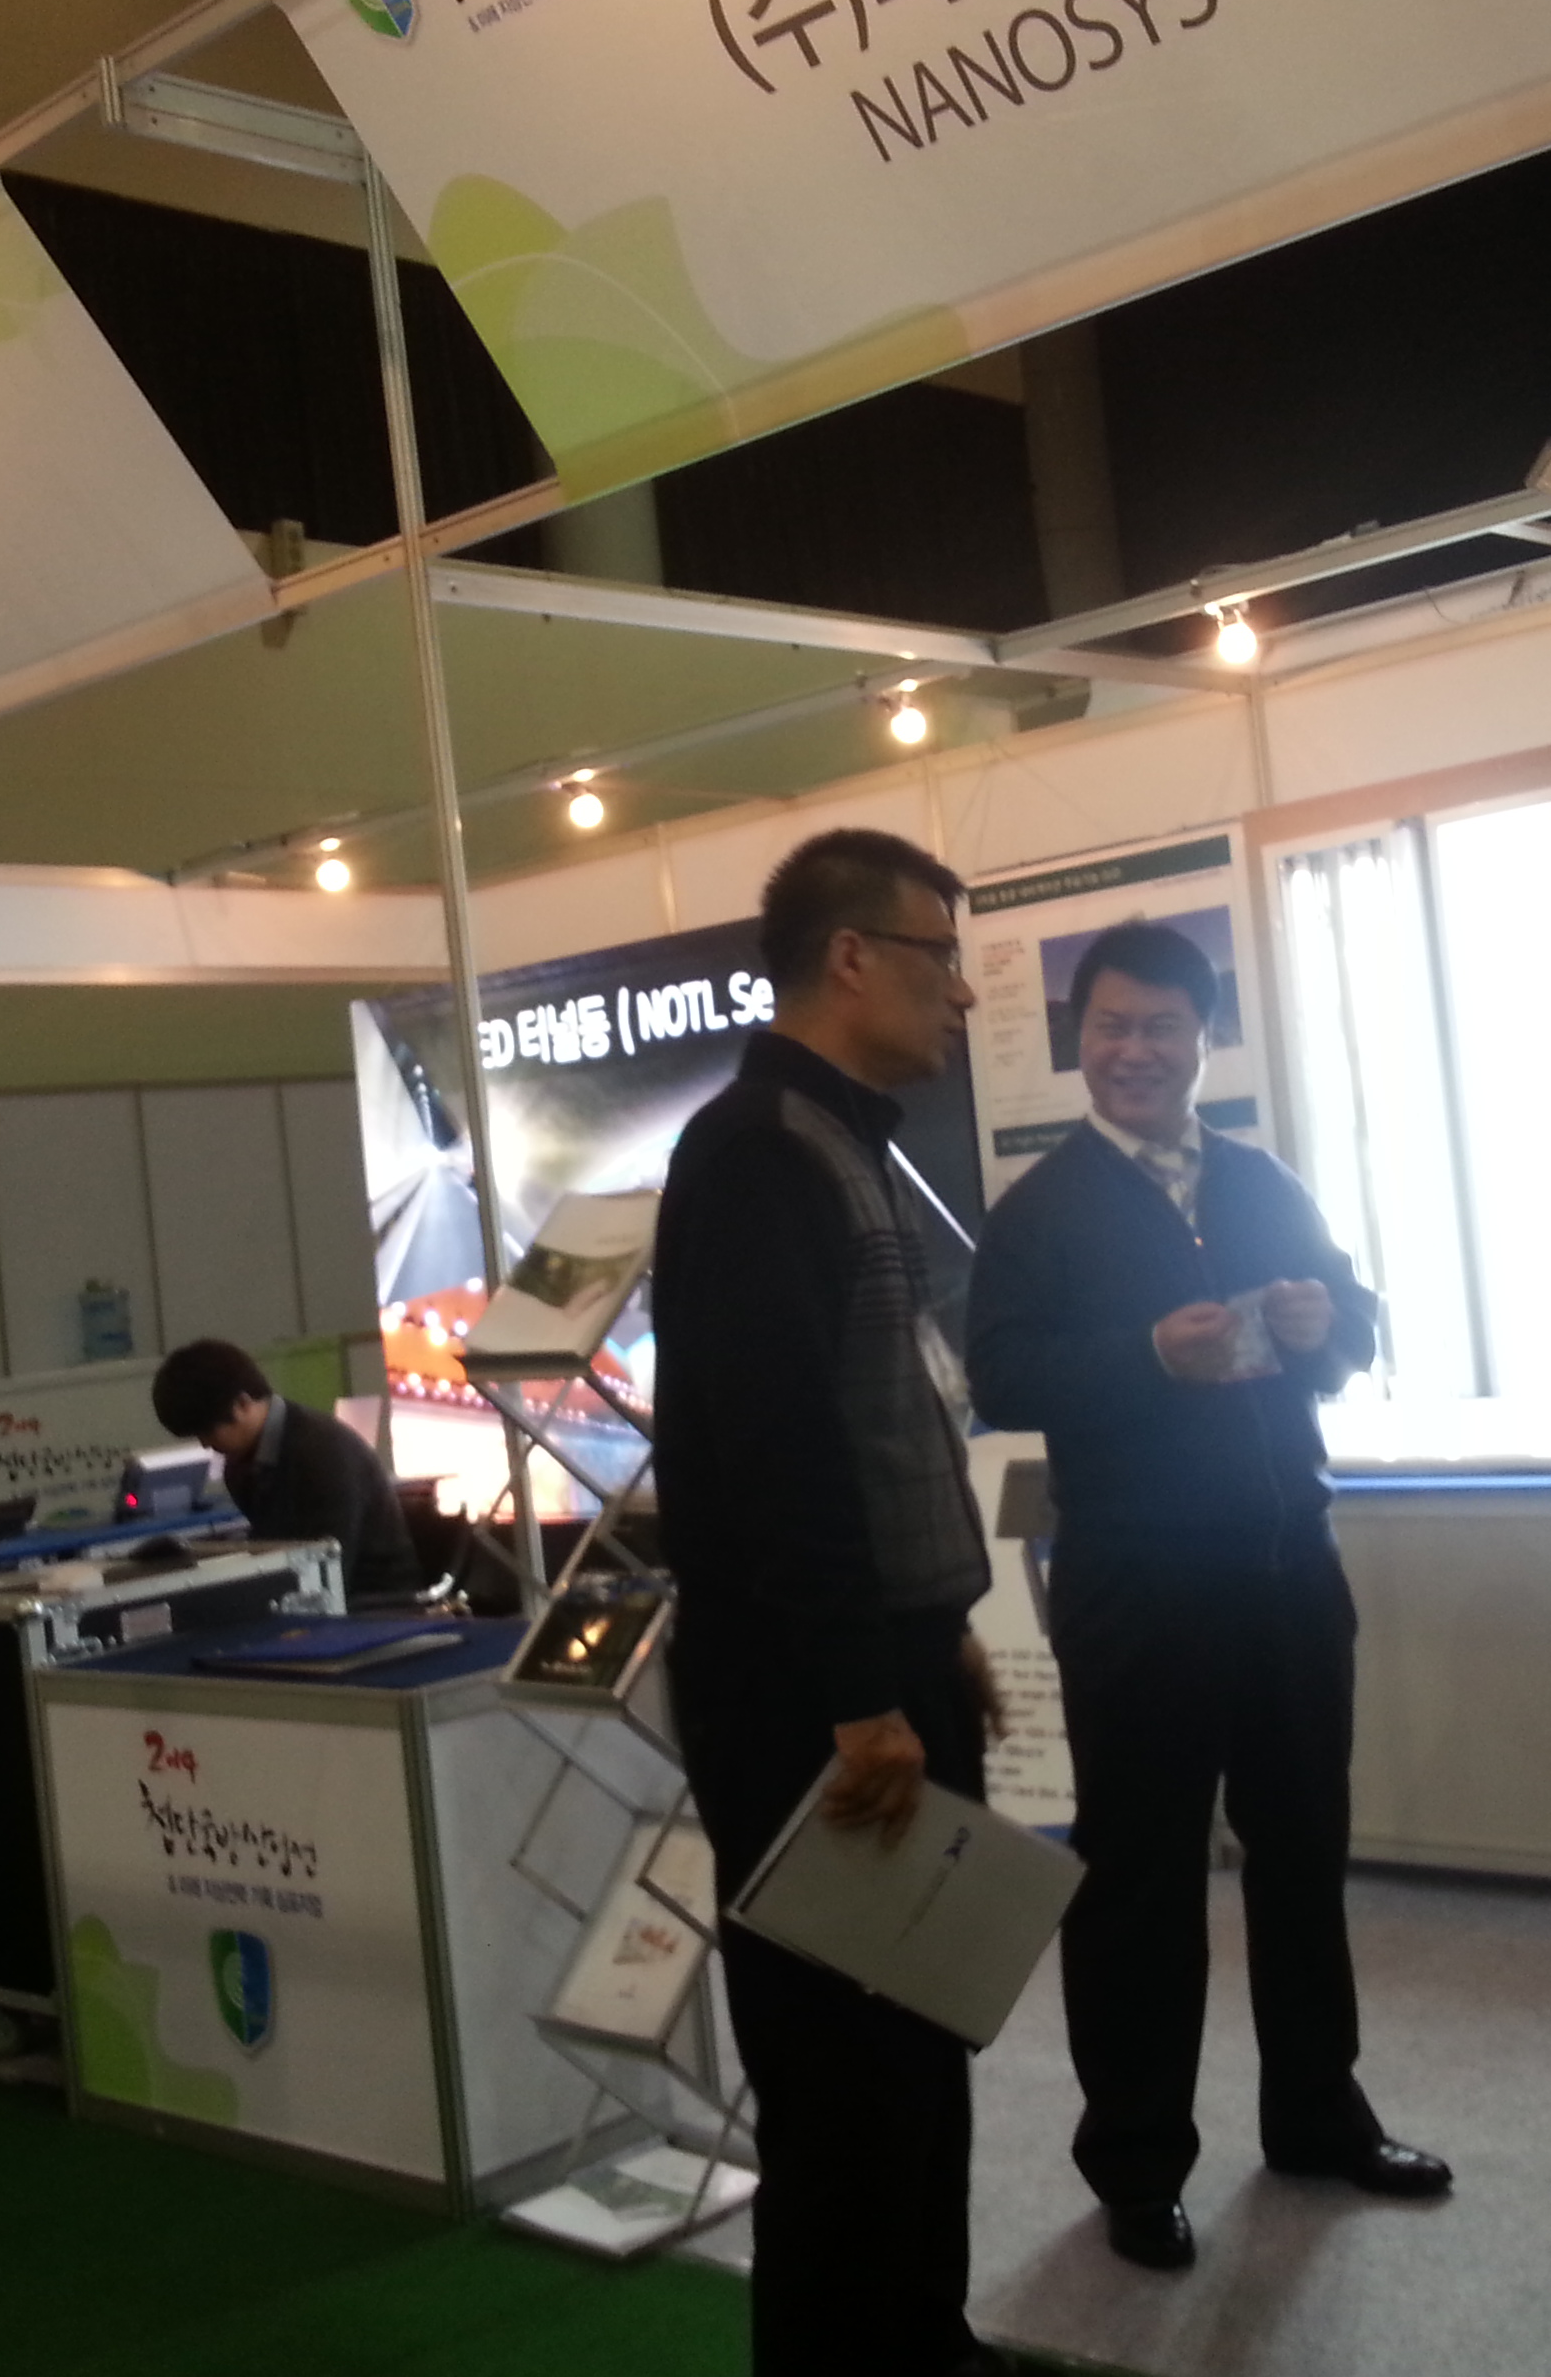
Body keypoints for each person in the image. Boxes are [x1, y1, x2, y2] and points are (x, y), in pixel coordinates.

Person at [967, 920, 1449, 2275]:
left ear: (1204, 1039)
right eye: (1112, 1029)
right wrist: (1142, 1358)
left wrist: (1326, 1330)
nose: (1135, 1052)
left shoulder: (1260, 1179)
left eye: (1162, 1028)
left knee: (1303, 1852)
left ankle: (1317, 2115)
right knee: (1138, 1879)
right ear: (1080, 1041)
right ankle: (1136, 2162)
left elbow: (1354, 1318)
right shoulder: (1040, 1208)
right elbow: (1000, 1376)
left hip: (1291, 1567)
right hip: (1136, 1584)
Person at [653, 828, 1013, 2377]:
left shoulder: (842, 1140)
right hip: (807, 1699)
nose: (965, 994)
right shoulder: (755, 1151)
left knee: (921, 2043)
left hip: (884, 1664)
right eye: (942, 957)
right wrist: (864, 1693)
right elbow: (777, 1451)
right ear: (853, 958)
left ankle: (926, 2342)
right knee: (842, 2086)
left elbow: (878, 1431)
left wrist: (938, 1633)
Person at [147, 1340, 423, 1604]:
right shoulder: (242, 1466)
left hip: (376, 1601)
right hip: (323, 1591)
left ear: (242, 1404)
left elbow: (328, 1566)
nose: (206, 1445)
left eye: (207, 1431)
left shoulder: (322, 1453)